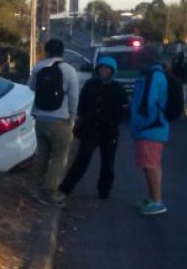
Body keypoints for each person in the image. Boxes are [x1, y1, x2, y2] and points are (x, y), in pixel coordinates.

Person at [58, 56, 128, 200]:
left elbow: (124, 109)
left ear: (112, 70)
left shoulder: (118, 88)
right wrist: (82, 118)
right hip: (90, 129)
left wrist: (113, 121)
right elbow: (82, 103)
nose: (104, 70)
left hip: (109, 131)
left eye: (107, 68)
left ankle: (104, 191)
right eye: (101, 67)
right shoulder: (91, 84)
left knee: (108, 162)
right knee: (82, 159)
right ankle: (66, 187)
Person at [28, 39, 79, 207]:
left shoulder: (39, 67)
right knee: (59, 156)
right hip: (60, 120)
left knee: (42, 153)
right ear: (62, 52)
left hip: (40, 119)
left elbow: (31, 87)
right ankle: (49, 192)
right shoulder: (69, 70)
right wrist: (72, 117)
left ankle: (35, 188)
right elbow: (73, 97)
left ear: (47, 51)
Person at [130, 45, 170, 215]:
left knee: (150, 165)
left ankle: (157, 201)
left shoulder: (151, 76)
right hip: (154, 127)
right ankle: (153, 198)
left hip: (149, 127)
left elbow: (147, 103)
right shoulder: (153, 74)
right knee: (153, 164)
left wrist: (140, 123)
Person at [170, 52, 187, 116]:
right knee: (184, 99)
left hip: (177, 83)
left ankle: (179, 111)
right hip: (184, 83)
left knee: (177, 97)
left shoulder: (176, 65)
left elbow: (172, 72)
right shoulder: (186, 65)